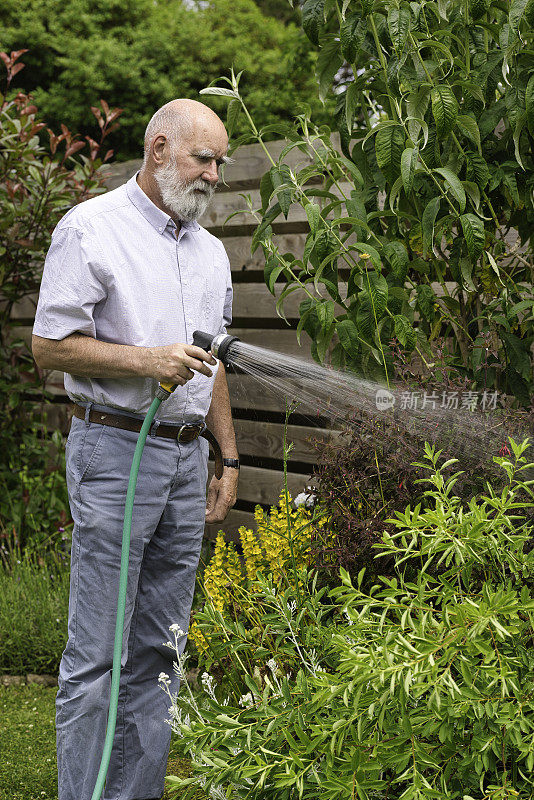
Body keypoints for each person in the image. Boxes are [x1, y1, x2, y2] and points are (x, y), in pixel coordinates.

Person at [32, 98, 239, 800]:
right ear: (157, 150)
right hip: (116, 451)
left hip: (188, 462)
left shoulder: (210, 254)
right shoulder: (92, 228)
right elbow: (47, 345)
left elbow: (213, 364)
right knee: (99, 654)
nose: (213, 174)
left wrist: (228, 456)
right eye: (202, 158)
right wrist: (148, 361)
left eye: (220, 162)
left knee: (159, 653)